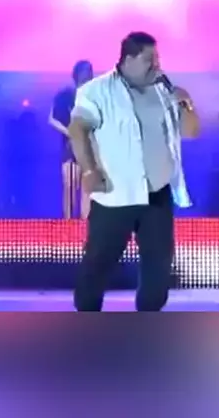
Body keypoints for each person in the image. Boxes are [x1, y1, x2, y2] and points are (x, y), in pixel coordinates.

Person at [68, 32, 201, 311]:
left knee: (159, 265)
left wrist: (186, 103)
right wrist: (89, 170)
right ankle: (86, 321)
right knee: (98, 263)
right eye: (149, 60)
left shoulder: (164, 91)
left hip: (157, 193)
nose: (156, 66)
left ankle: (147, 321)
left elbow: (191, 132)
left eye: (158, 59)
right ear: (128, 59)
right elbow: (78, 130)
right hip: (116, 194)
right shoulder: (96, 90)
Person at [49, 60, 94, 219]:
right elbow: (52, 119)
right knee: (70, 186)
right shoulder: (65, 96)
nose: (87, 77)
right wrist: (69, 132)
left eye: (89, 73)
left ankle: (85, 225)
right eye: (84, 73)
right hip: (71, 150)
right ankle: (68, 226)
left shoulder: (95, 97)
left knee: (87, 191)